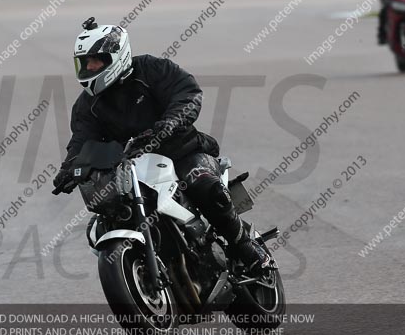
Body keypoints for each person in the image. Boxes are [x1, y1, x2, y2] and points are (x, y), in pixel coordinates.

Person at [52, 17, 271, 273]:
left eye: (95, 61)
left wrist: (170, 121)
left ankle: (243, 246)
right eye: (85, 62)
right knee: (107, 218)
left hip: (182, 151)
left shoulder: (151, 69)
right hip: (133, 169)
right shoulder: (86, 105)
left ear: (116, 56)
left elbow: (187, 92)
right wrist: (68, 168)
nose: (89, 67)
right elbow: (81, 140)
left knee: (203, 184)